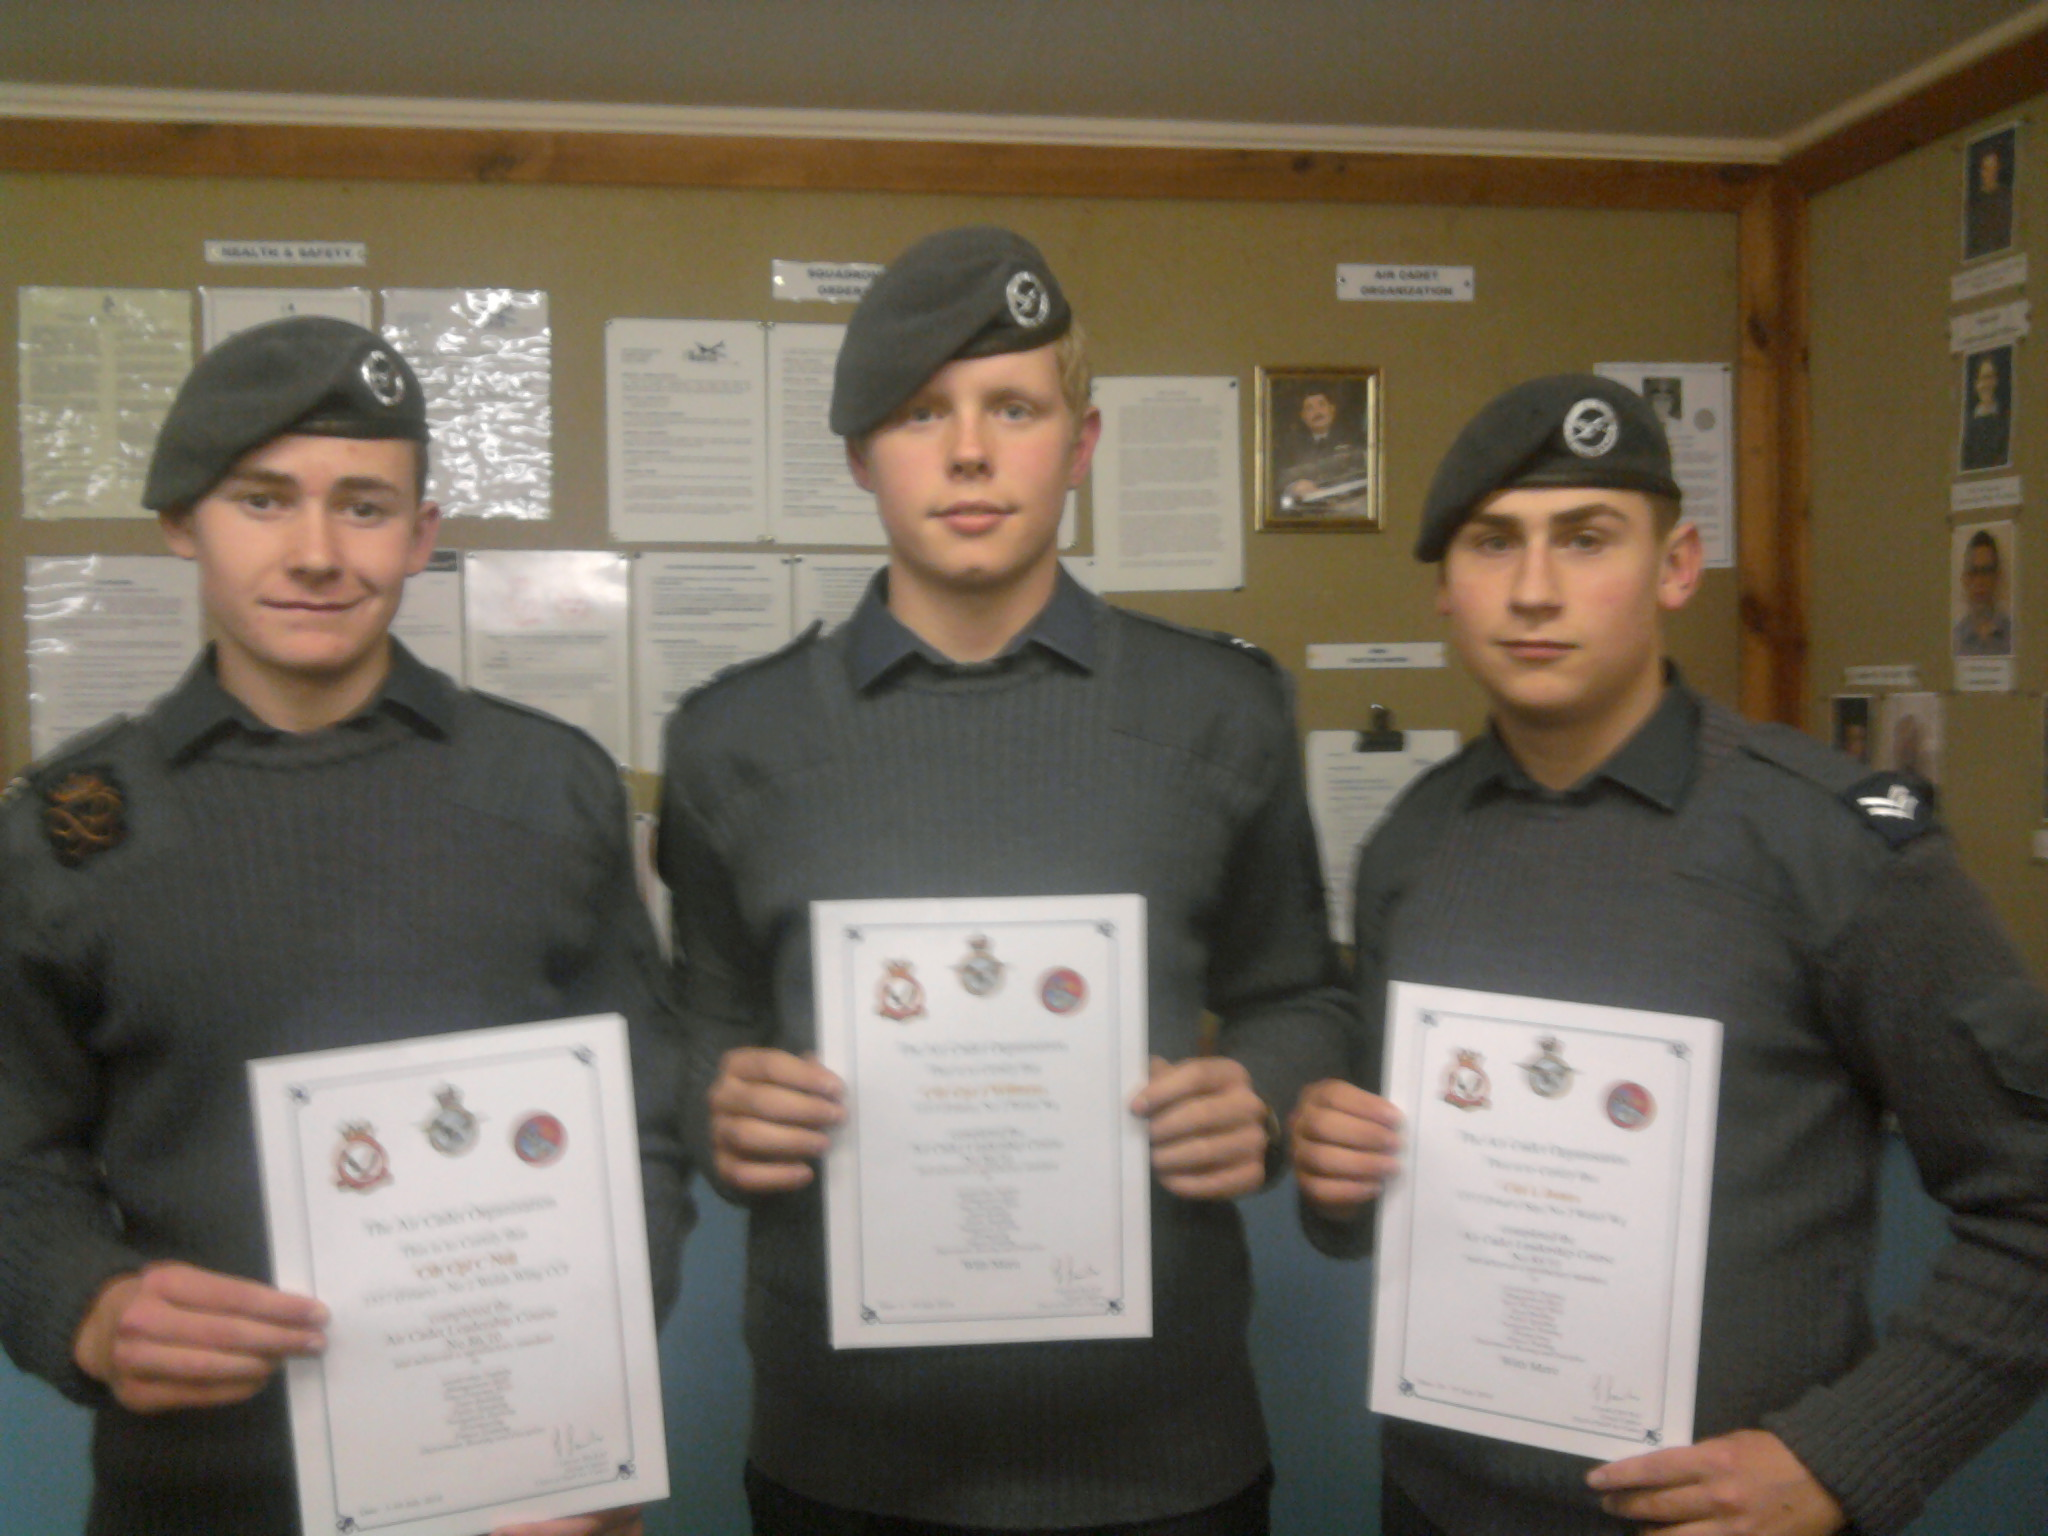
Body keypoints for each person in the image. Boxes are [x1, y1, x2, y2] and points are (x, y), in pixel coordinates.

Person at [657, 226, 1349, 1535]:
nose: (969, 453)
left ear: (1079, 446)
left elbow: (1301, 997)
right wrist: (715, 1100)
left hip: (1168, 1471)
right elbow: (702, 1020)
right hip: (838, 1471)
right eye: (922, 413)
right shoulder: (731, 740)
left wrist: (1260, 1095)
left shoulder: (1224, 711)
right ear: (861, 454)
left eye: (1013, 407)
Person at [1290, 374, 2048, 1536]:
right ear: (1445, 588)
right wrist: (1335, 1179)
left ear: (1675, 566)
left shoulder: (1836, 841)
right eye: (1492, 544)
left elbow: (2032, 1199)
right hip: (1436, 1506)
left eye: (1585, 538)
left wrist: (1844, 1458)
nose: (1533, 590)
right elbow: (1380, 1189)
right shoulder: (1411, 843)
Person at [0, 316, 690, 1536]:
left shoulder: (550, 789)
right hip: (194, 1496)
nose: (316, 552)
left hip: (512, 1491)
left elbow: (641, 1129)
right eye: (263, 500)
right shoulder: (66, 833)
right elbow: (15, 1157)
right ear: (181, 521)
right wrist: (85, 1306)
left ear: (421, 536)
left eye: (364, 506)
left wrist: (586, 1411)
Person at [1277, 385, 1371, 515]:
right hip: (1309, 513)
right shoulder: (1292, 446)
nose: (1317, 412)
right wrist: (1294, 487)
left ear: (1332, 409)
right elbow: (1282, 477)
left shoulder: (1356, 438)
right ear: (1303, 416)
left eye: (1322, 405)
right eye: (1309, 408)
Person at [1954, 527, 2013, 657]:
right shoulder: (1955, 640)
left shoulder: (2015, 635)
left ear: (1997, 577)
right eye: (1974, 572)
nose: (1980, 581)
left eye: (1986, 572)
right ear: (1965, 579)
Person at [1959, 349, 2012, 473]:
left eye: (1990, 377)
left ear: (1996, 381)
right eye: (1983, 378)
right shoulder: (1966, 424)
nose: (1987, 384)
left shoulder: (2006, 420)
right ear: (1976, 384)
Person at [1964, 133, 2014, 260]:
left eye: (1992, 169)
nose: (1989, 174)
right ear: (1981, 171)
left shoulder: (2007, 197)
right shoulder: (1974, 203)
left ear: (1997, 169)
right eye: (1986, 169)